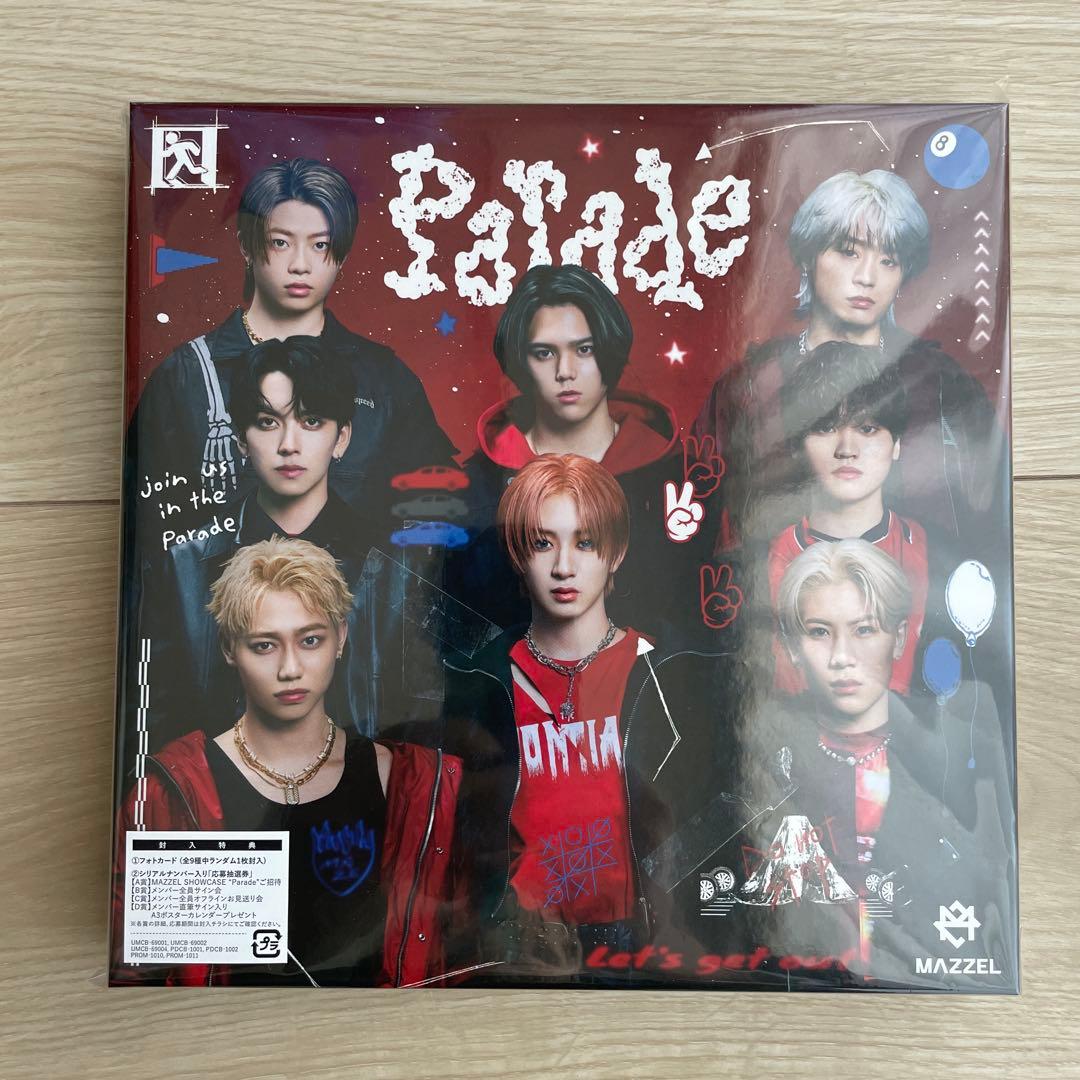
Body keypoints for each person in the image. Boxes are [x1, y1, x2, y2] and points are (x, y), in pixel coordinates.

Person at [111, 537, 463, 987]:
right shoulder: (171, 793)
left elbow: (446, 953)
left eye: (310, 640)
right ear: (229, 649)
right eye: (264, 645)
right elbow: (135, 969)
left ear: (341, 637)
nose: (290, 668)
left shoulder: (405, 780)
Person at [443, 454, 740, 983]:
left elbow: (703, 821)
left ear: (616, 552)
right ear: (518, 554)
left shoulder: (666, 673)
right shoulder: (482, 681)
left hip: (642, 947)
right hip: (520, 950)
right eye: (542, 543)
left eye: (584, 543)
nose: (564, 566)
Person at [694, 539, 1016, 989]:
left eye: (864, 630)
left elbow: (991, 895)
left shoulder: (965, 753)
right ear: (791, 646)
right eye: (819, 632)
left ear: (899, 637)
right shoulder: (754, 757)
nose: (842, 657)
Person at [126, 156, 456, 546]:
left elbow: (435, 519)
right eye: (280, 242)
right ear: (247, 246)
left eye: (320, 245)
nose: (300, 265)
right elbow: (147, 529)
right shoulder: (185, 377)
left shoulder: (384, 380)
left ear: (342, 254)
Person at [691, 168, 1005, 551]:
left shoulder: (939, 383)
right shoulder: (753, 384)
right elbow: (699, 516)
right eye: (849, 251)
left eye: (889, 260)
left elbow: (994, 515)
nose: (867, 277)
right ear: (810, 256)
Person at [445, 264, 691, 637]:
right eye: (544, 353)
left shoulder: (677, 479)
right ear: (521, 362)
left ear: (610, 353)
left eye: (584, 349)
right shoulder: (477, 489)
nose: (565, 371)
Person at [764, 341, 931, 695]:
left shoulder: (935, 551)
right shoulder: (761, 561)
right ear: (797, 445)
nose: (846, 449)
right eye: (825, 427)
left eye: (867, 428)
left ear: (896, 443)